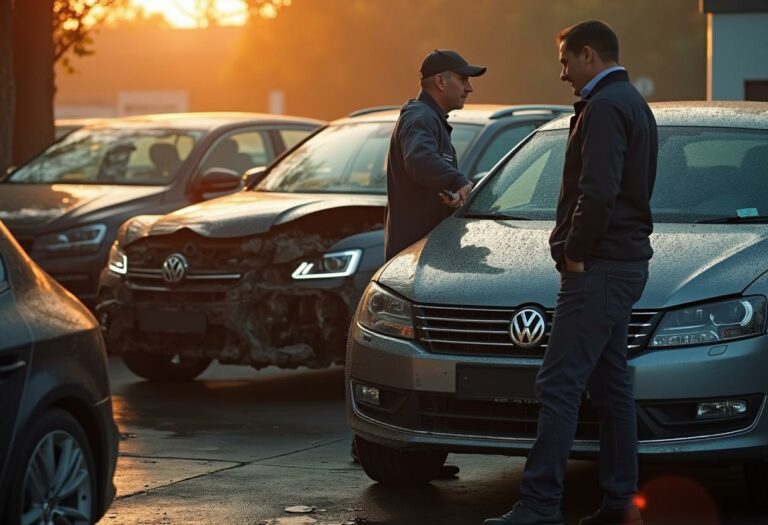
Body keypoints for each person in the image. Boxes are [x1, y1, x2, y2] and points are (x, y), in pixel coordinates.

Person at [484, 20, 658, 525]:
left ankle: (540, 506)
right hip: (624, 264)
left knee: (558, 385)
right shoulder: (633, 103)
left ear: (588, 55)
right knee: (612, 387)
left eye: (565, 61)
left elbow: (599, 191)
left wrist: (575, 253)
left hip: (599, 267)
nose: (562, 73)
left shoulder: (604, 107)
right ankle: (621, 504)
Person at [384, 48, 485, 260]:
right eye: (463, 79)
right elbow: (418, 159)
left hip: (426, 257)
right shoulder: (420, 117)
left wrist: (453, 197)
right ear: (440, 81)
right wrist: (458, 181)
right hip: (413, 261)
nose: (469, 88)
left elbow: (425, 178)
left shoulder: (428, 118)